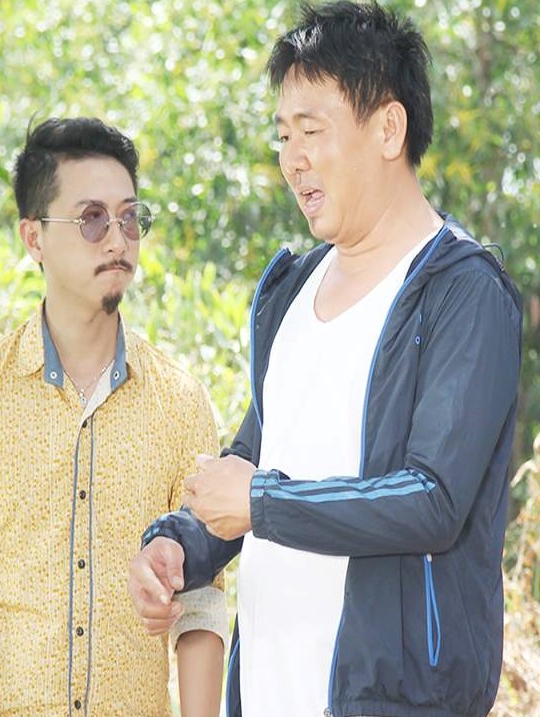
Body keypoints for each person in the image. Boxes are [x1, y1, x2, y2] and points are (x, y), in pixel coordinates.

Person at [127, 3, 523, 717]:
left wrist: (261, 503)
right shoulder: (292, 289)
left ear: (389, 129)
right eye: (283, 136)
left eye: (312, 131)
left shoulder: (463, 293)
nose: (293, 159)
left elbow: (432, 499)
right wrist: (183, 544)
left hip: (395, 701)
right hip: (266, 695)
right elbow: (256, 461)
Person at [0, 117, 227, 717]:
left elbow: (202, 606)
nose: (117, 240)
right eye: (92, 219)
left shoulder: (181, 401)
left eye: (129, 218)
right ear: (34, 237)